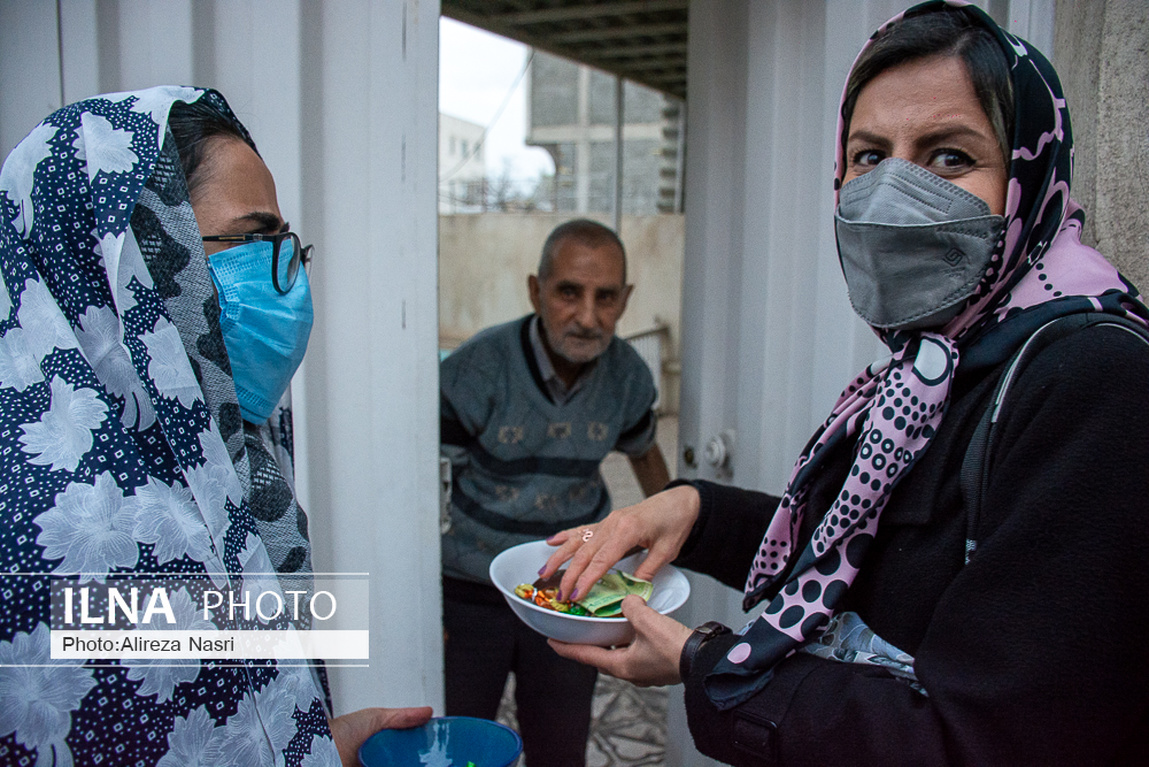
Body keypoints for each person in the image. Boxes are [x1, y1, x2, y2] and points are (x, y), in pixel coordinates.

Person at [540, 3, 1149, 765]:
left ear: (1028, 174)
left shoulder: (1093, 382)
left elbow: (982, 739)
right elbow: (854, 552)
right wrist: (692, 509)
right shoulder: (933, 364)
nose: (892, 195)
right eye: (868, 156)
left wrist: (709, 665)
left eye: (948, 157)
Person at [0, 86, 429, 766]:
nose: (288, 280)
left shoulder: (224, 448)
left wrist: (314, 747)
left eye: (287, 244)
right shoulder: (41, 528)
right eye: (253, 239)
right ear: (130, 258)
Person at [439, 218, 671, 765]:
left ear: (625, 299)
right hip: (473, 592)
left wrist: (670, 550)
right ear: (535, 290)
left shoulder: (629, 377)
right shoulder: (476, 369)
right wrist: (427, 605)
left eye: (605, 297)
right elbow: (426, 489)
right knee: (461, 745)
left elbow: (646, 459)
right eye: (569, 292)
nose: (588, 317)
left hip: (575, 592)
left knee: (560, 746)